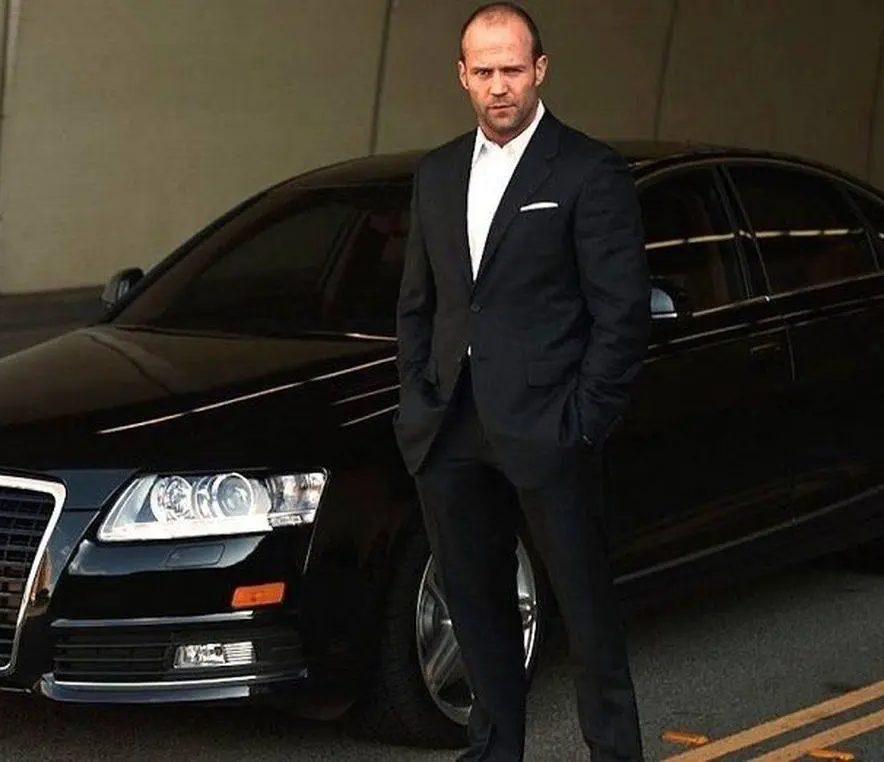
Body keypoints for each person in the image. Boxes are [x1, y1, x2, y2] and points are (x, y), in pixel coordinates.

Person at [392, 3, 651, 760]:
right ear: (462, 76)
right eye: (484, 71)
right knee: (478, 610)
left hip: (550, 427)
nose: (499, 85)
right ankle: (495, 751)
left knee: (586, 613)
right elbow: (419, 304)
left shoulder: (588, 170)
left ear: (540, 70)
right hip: (451, 428)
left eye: (512, 69)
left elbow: (622, 313)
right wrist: (418, 396)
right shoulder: (436, 173)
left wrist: (583, 420)